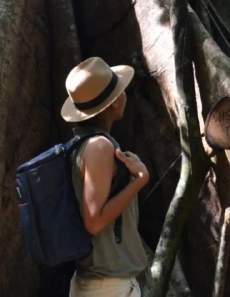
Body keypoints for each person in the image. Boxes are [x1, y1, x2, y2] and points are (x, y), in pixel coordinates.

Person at [61, 57, 150, 297]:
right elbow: (94, 221)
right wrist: (140, 179)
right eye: (120, 90)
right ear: (114, 102)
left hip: (97, 282)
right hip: (108, 287)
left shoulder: (81, 144)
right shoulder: (99, 147)